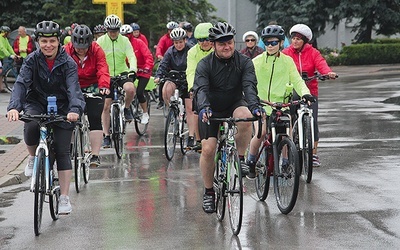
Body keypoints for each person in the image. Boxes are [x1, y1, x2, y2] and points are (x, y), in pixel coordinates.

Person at [6, 20, 85, 214]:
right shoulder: (32, 60)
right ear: (38, 42)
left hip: (63, 106)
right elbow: (21, 84)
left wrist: (74, 109)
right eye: (43, 41)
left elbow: (74, 88)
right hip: (37, 102)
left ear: (58, 41)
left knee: (62, 149)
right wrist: (14, 107)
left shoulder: (68, 63)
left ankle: (64, 198)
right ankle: (33, 158)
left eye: (51, 41)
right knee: (31, 126)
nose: (48, 45)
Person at [193, 22, 262, 213]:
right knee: (208, 149)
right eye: (222, 43)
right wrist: (204, 107)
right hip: (211, 108)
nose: (227, 46)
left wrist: (255, 106)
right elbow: (201, 89)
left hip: (233, 103)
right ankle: (208, 192)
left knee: (246, 117)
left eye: (230, 42)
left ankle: (239, 158)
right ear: (213, 45)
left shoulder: (244, 62)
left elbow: (249, 86)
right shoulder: (205, 64)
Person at [247, 24, 313, 179]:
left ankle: (284, 161)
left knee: (286, 133)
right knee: (261, 132)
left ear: (281, 43)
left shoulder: (287, 61)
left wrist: (306, 94)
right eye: (267, 43)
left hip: (281, 105)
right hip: (261, 105)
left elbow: (297, 80)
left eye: (274, 43)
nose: (270, 46)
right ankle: (250, 160)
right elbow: (248, 81)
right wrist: (250, 97)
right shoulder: (256, 61)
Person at [282, 23, 337, 167]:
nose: (295, 41)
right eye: (293, 38)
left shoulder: (313, 53)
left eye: (299, 39)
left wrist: (327, 72)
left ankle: (313, 155)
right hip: (292, 91)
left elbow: (321, 64)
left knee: (312, 121)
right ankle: (287, 154)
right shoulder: (286, 53)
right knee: (287, 119)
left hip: (310, 91)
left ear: (305, 41)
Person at [64, 24, 110, 167]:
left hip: (93, 84)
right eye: (78, 47)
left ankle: (95, 155)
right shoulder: (65, 51)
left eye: (84, 47)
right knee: (69, 117)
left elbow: (102, 68)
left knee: (95, 117)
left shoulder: (97, 50)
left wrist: (103, 86)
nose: (81, 50)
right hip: (73, 85)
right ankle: (70, 146)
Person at [96, 14, 137, 148]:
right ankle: (106, 135)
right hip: (106, 74)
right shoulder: (100, 41)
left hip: (122, 72)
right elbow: (94, 57)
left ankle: (126, 108)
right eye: (110, 31)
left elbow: (131, 56)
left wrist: (133, 69)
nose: (113, 33)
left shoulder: (124, 40)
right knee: (106, 105)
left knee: (130, 89)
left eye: (116, 30)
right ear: (106, 30)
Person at [185, 22, 213, 148]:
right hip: (200, 85)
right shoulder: (192, 52)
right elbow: (190, 71)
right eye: (200, 40)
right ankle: (198, 140)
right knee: (196, 109)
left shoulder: (216, 49)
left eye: (207, 39)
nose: (204, 42)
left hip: (217, 84)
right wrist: (192, 87)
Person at [154, 27, 191, 118]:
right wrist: (158, 76)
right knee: (166, 91)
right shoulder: (170, 51)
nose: (178, 45)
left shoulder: (190, 49)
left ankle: (187, 113)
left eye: (181, 42)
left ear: (185, 40)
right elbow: (163, 64)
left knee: (190, 100)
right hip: (174, 76)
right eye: (176, 43)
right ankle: (173, 110)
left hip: (188, 77)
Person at [120, 24, 154, 124]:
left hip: (143, 69)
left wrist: (147, 67)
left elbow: (148, 56)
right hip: (130, 70)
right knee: (127, 89)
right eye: (123, 35)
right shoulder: (121, 45)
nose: (126, 37)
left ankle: (145, 113)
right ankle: (127, 107)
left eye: (128, 35)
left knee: (139, 92)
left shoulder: (139, 43)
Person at [155, 21, 179, 109]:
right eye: (169, 30)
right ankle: (161, 100)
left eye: (172, 30)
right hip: (167, 62)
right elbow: (159, 47)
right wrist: (159, 56)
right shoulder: (164, 39)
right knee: (162, 81)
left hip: (179, 66)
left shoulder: (181, 40)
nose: (171, 32)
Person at [0, 26, 19, 93]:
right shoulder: (0, 38)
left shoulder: (5, 39)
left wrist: (14, 54)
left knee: (1, 73)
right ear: (5, 32)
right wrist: (9, 55)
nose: (9, 34)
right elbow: (2, 48)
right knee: (0, 71)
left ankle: (1, 88)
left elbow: (9, 47)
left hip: (1, 57)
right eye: (8, 33)